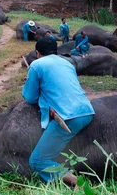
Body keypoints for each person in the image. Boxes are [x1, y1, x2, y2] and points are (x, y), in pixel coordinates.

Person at [22, 37, 95, 186]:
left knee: (37, 161)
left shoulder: (36, 65)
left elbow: (30, 97)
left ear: (38, 53)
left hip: (67, 117)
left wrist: (28, 80)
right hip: (86, 111)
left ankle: (75, 182)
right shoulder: (67, 63)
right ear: (56, 51)